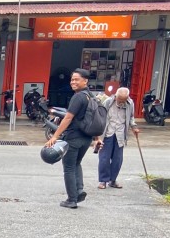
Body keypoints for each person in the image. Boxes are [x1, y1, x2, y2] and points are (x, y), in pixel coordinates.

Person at [44, 69, 97, 209]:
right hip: (86, 138)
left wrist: (55, 136)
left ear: (85, 81)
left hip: (74, 137)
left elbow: (68, 118)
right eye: (72, 79)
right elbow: (95, 119)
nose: (73, 82)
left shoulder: (78, 97)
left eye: (76, 79)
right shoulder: (92, 96)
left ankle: (71, 199)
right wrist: (97, 138)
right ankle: (79, 191)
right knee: (76, 164)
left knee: (68, 167)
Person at [96, 88, 140, 190]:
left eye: (123, 100)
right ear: (115, 96)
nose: (120, 102)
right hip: (107, 133)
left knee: (118, 159)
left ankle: (113, 180)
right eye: (119, 99)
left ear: (127, 98)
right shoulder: (108, 102)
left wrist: (134, 127)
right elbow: (101, 116)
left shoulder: (130, 104)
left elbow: (131, 117)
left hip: (120, 134)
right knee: (104, 158)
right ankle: (103, 180)